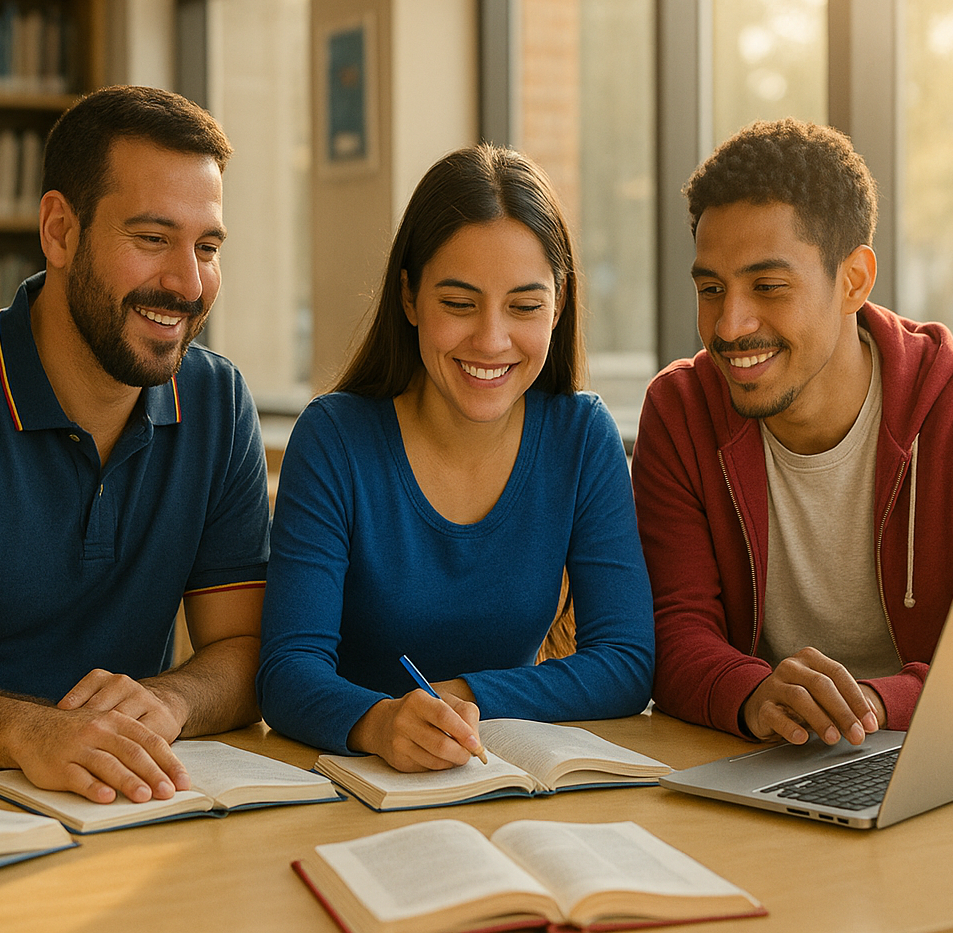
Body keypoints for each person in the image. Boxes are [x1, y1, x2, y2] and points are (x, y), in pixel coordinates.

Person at [0, 86, 269, 806]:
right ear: (60, 232)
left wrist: (173, 701)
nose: (188, 284)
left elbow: (245, 650)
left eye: (208, 247)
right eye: (153, 239)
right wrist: (29, 733)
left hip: (119, 805)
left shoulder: (220, 405)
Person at [631, 119, 953, 748]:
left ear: (854, 280)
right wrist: (753, 693)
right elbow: (674, 633)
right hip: (767, 763)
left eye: (768, 286)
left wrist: (869, 704)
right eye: (711, 288)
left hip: (945, 756)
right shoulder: (681, 411)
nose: (730, 326)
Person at [256, 145, 654, 771]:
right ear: (410, 299)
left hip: (502, 773)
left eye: (525, 306)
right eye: (459, 304)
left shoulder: (582, 436)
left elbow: (626, 662)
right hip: (358, 786)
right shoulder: (335, 439)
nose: (492, 340)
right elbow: (286, 672)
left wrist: (462, 696)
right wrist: (378, 721)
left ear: (559, 303)